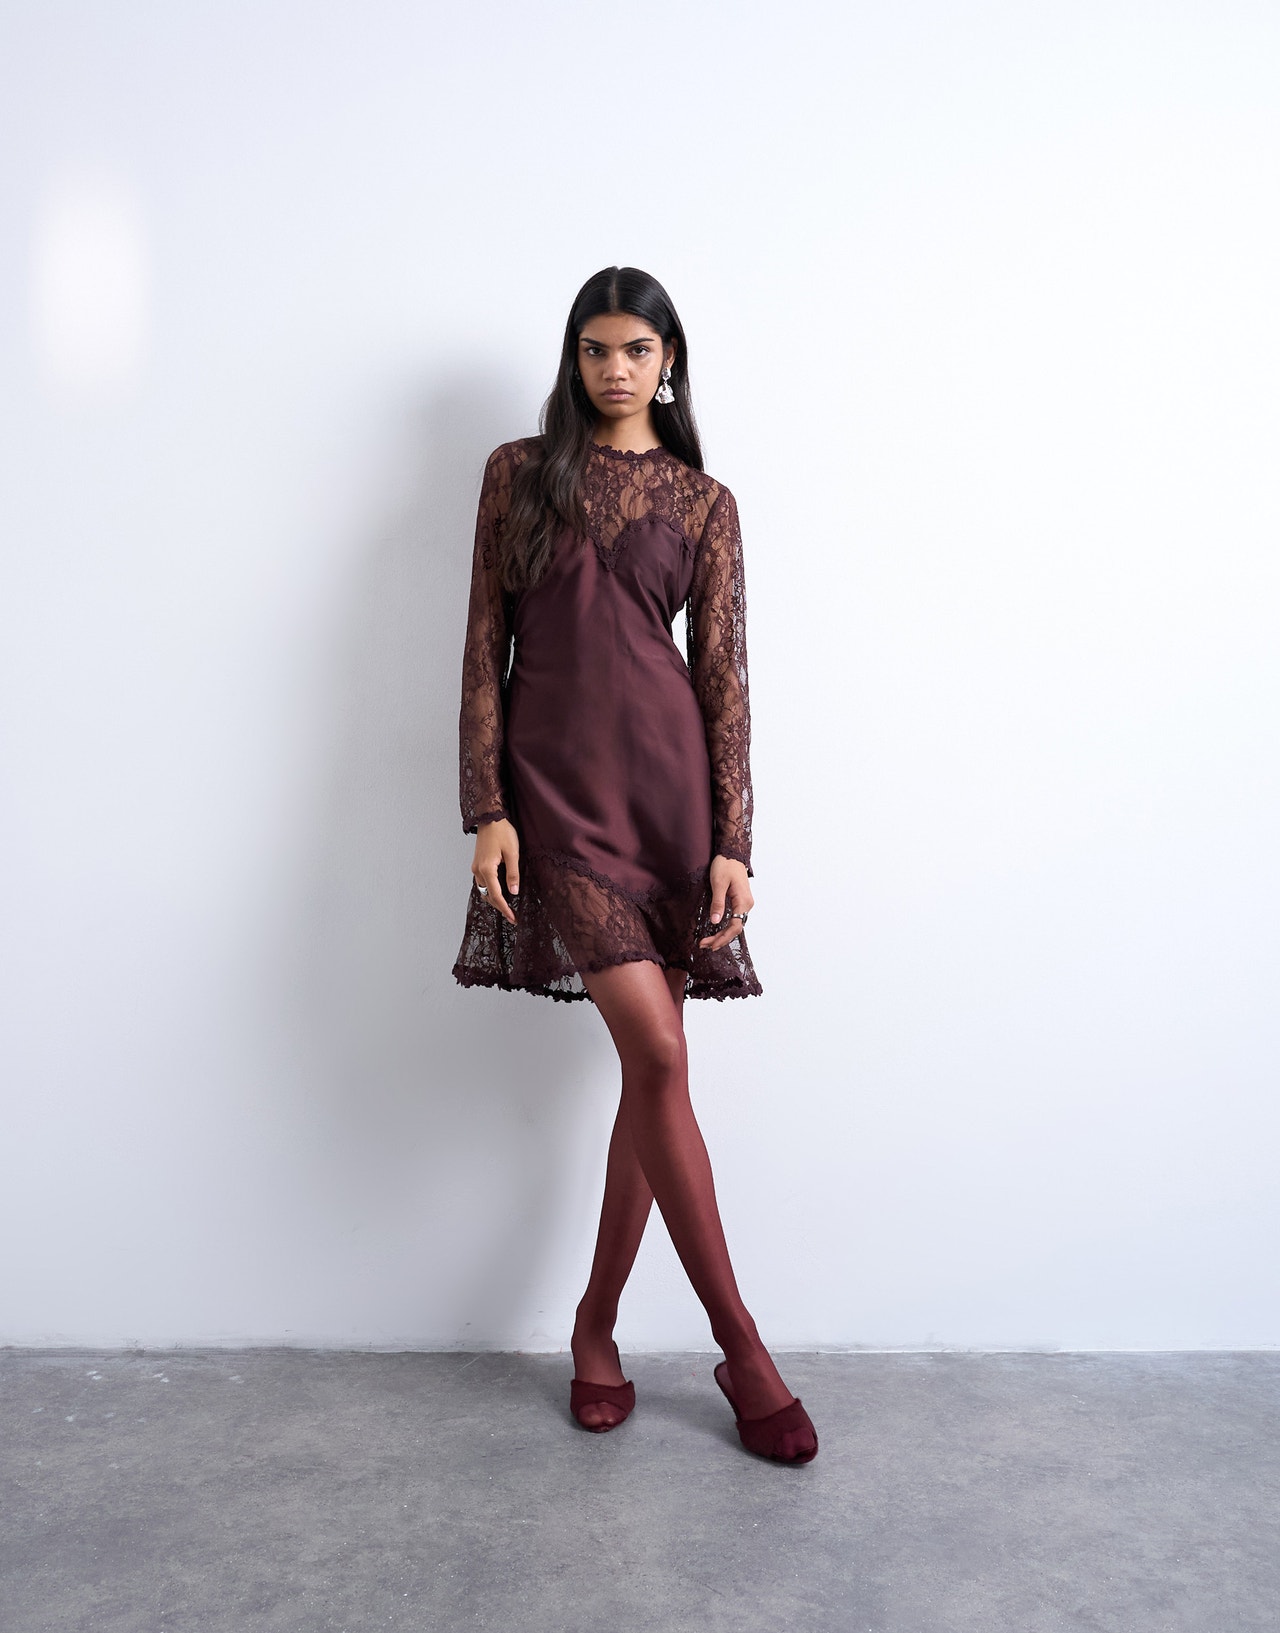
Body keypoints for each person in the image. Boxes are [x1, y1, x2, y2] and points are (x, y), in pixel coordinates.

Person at [452, 267, 817, 1465]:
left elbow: (722, 678)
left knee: (648, 1074)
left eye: (636, 350)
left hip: (667, 801)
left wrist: (732, 840)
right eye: (594, 348)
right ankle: (739, 1342)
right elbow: (482, 645)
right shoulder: (517, 474)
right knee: (657, 1054)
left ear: (668, 364)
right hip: (556, 802)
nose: (614, 368)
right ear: (573, 359)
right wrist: (485, 807)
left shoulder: (703, 502)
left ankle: (595, 1325)